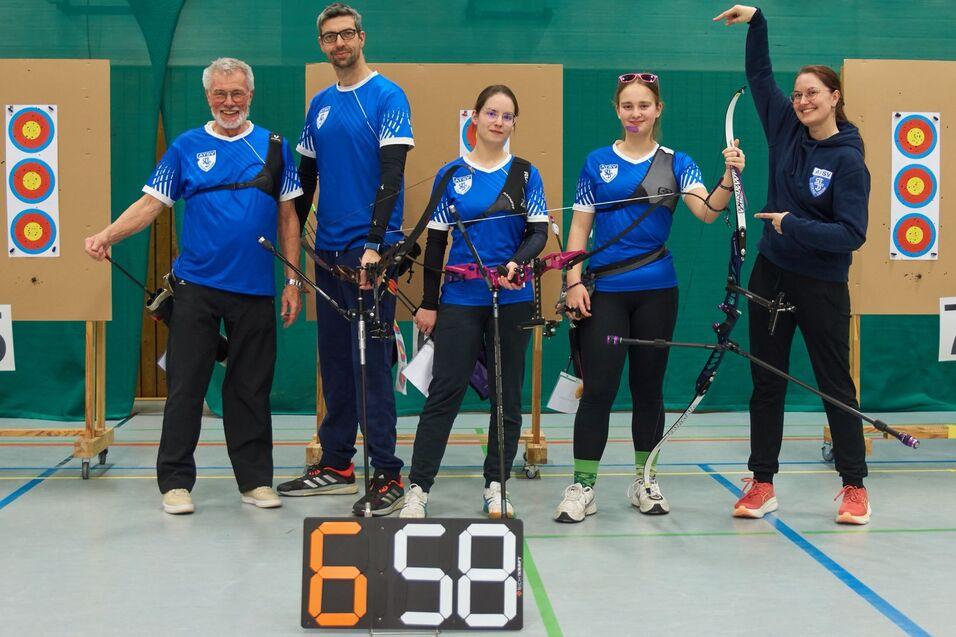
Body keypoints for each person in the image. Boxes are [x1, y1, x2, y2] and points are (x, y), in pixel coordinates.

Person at [84, 57, 303, 515]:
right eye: (220, 94)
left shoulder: (275, 147)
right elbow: (150, 205)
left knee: (250, 388)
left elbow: (289, 218)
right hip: (196, 288)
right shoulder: (185, 147)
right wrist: (106, 235)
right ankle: (176, 483)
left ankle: (256, 481)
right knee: (185, 387)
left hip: (255, 291)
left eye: (237, 93)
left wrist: (292, 280)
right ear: (208, 97)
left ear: (250, 95)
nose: (229, 102)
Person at [553, 72, 746, 523]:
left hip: (658, 290)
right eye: (627, 106)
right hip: (605, 292)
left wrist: (727, 176)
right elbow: (579, 228)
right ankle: (583, 486)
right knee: (598, 389)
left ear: (658, 109)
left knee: (648, 389)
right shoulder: (596, 161)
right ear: (617, 110)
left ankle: (645, 478)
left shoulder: (678, 162)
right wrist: (573, 282)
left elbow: (707, 210)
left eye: (644, 105)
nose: (635, 114)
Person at [715, 5, 872, 524]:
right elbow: (760, 75)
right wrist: (758, 23)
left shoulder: (848, 160)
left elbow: (851, 234)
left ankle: (855, 487)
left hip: (823, 283)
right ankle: (762, 482)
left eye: (812, 93)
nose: (802, 100)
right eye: (798, 93)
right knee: (767, 380)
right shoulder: (784, 127)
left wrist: (790, 224)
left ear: (835, 98)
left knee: (834, 383)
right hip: (772, 275)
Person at [277, 3, 413, 516]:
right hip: (329, 255)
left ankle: (387, 473)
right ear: (322, 44)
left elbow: (392, 173)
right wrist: (294, 235)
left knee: (371, 366)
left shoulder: (387, 96)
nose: (339, 44)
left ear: (361, 37)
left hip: (369, 254)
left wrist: (376, 244)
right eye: (329, 37)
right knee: (335, 360)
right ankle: (336, 463)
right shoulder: (319, 105)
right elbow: (306, 180)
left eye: (347, 35)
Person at [398, 84, 548, 519]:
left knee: (506, 394)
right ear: (475, 119)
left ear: (513, 123)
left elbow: (538, 233)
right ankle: (419, 488)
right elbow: (435, 244)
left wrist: (516, 263)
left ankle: (496, 483)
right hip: (460, 299)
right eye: (491, 113)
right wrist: (429, 304)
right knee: (444, 392)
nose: (499, 122)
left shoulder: (525, 174)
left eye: (507, 116)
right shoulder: (451, 175)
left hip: (511, 299)